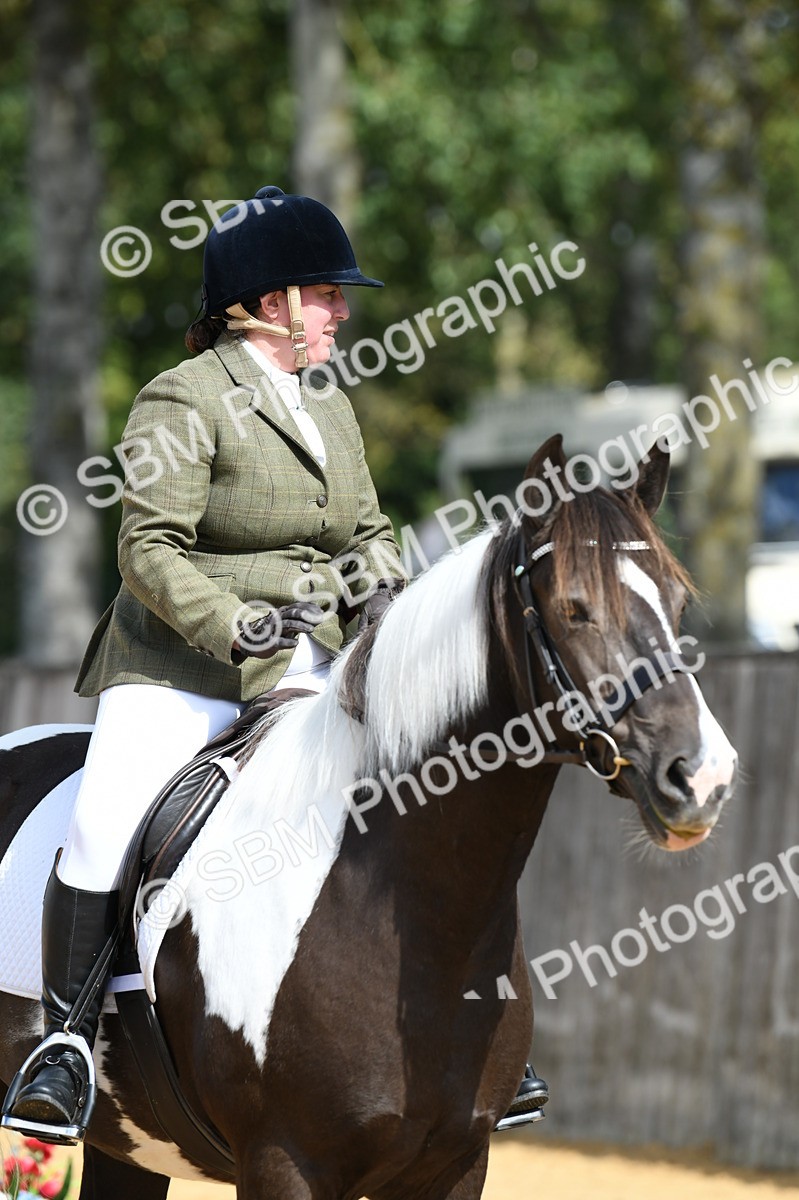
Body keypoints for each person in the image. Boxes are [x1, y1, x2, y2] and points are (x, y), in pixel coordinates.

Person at [2, 185, 546, 1142]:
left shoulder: (329, 408)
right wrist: (233, 624)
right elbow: (150, 548)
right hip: (180, 667)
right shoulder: (182, 396)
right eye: (327, 293)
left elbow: (371, 532)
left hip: (312, 658)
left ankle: (476, 1030)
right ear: (265, 302)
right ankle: (67, 1047)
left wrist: (381, 595)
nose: (343, 310)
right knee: (103, 822)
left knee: (422, 794)